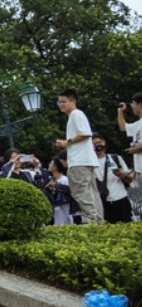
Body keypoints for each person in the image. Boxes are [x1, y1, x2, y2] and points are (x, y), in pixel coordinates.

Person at [55, 89, 103, 224]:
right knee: (91, 193)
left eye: (63, 101)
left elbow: (86, 133)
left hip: (79, 161)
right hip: (85, 160)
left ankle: (91, 221)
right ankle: (98, 221)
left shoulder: (76, 114)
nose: (60, 105)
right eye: (59, 102)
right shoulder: (75, 115)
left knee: (80, 192)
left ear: (73, 101)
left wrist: (67, 142)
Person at [93, 135, 134, 223]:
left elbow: (130, 180)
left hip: (121, 197)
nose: (97, 146)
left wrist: (122, 175)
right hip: (103, 201)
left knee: (127, 224)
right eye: (93, 144)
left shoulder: (115, 158)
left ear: (103, 142)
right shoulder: (90, 163)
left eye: (98, 143)